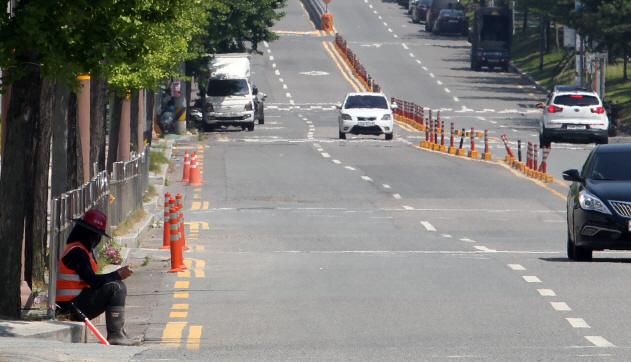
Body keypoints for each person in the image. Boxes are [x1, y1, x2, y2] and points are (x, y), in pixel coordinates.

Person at [55, 210, 138, 346]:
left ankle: (119, 332)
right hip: (70, 307)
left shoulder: (77, 249)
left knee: (116, 284)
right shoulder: (77, 252)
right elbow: (94, 282)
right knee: (117, 287)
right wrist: (117, 274)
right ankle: (115, 335)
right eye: (96, 236)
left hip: (73, 302)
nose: (97, 240)